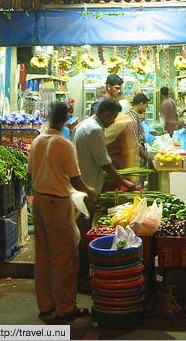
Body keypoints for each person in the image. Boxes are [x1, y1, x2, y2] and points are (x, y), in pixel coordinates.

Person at [27, 101, 96, 322]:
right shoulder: (64, 144)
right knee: (65, 257)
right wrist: (89, 190)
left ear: (49, 117)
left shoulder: (37, 142)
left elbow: (30, 174)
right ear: (67, 118)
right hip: (58, 203)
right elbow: (75, 179)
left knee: (44, 255)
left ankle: (46, 305)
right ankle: (66, 307)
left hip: (39, 202)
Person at [72, 99, 135, 284]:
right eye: (113, 117)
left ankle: (81, 274)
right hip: (87, 191)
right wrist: (124, 181)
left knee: (82, 231)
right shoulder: (95, 130)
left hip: (81, 188)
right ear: (105, 113)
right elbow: (104, 162)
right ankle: (82, 277)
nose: (114, 121)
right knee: (83, 234)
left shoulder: (83, 124)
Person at [105, 93, 154, 174]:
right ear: (141, 104)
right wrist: (147, 159)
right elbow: (136, 145)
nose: (146, 109)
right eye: (146, 106)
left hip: (135, 159)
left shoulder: (131, 116)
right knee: (137, 185)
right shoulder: (132, 120)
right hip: (136, 160)